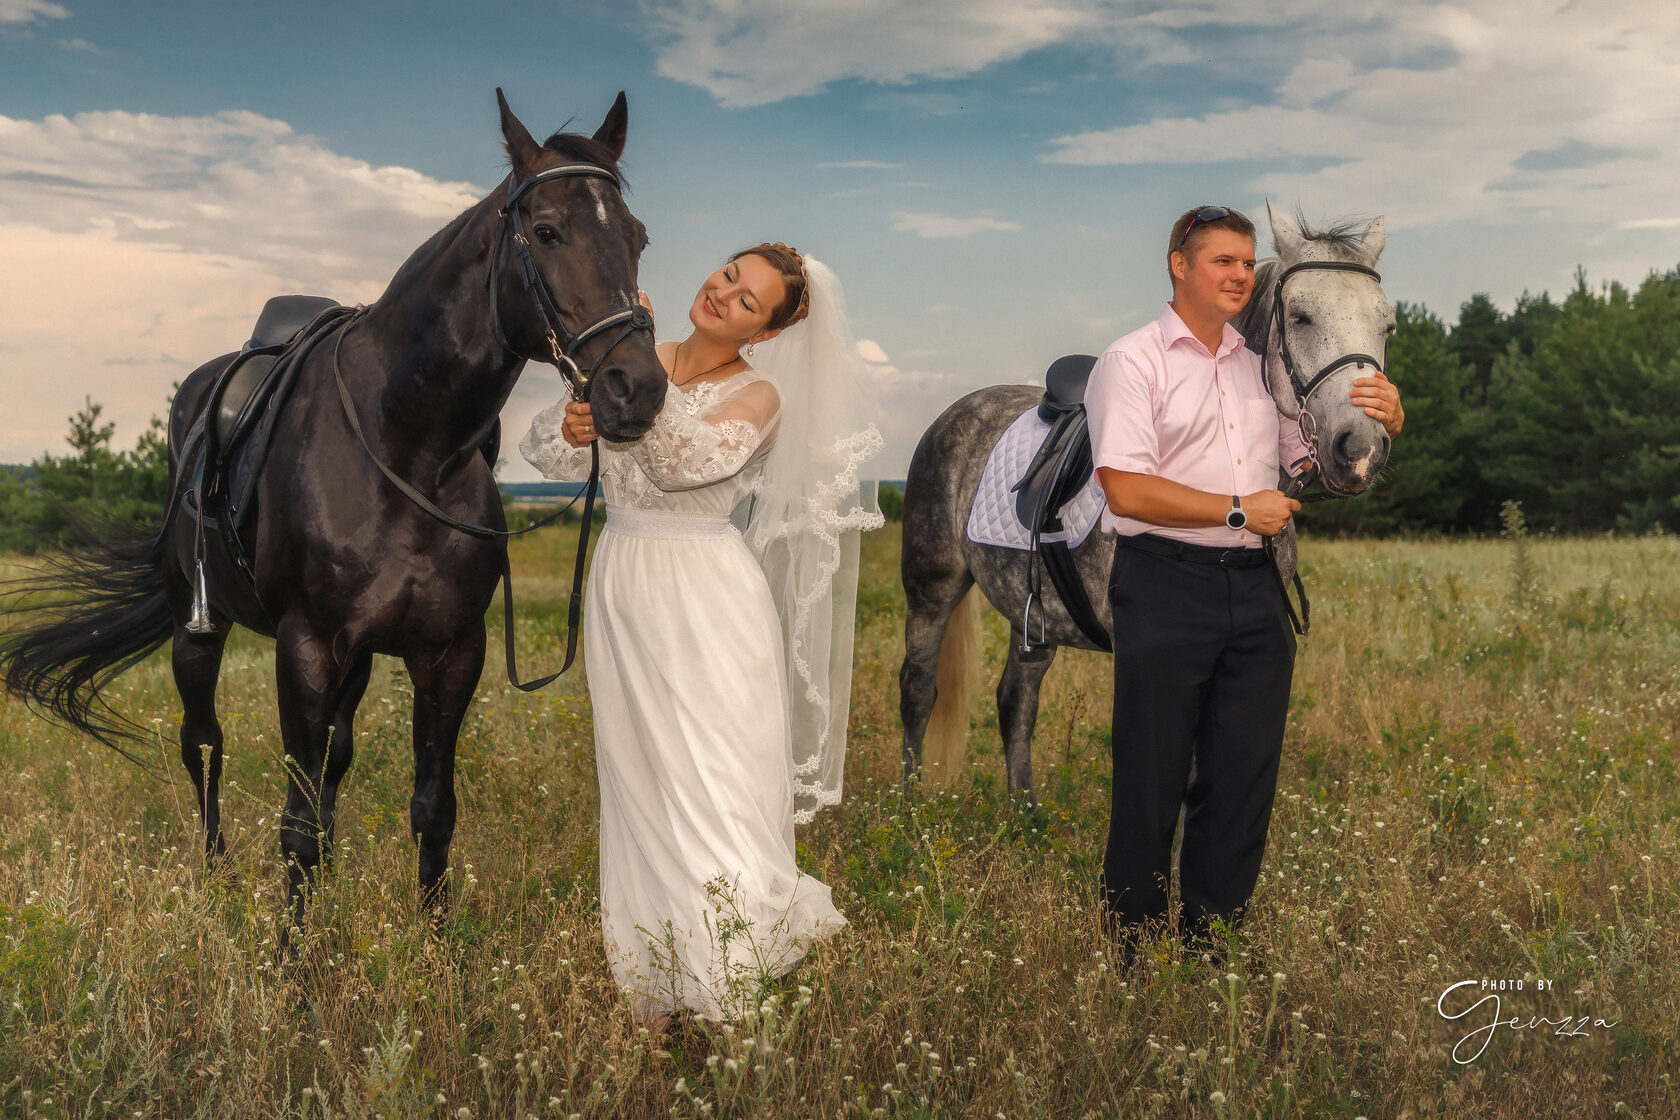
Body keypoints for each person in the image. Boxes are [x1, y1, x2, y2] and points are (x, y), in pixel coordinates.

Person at [519, 243, 883, 1024]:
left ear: (763, 331)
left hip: (705, 596)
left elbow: (682, 464)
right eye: (727, 275)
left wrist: (631, 370)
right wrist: (579, 418)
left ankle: (727, 968)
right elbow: (540, 450)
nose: (722, 295)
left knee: (710, 778)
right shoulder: (633, 354)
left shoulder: (759, 398)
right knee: (641, 775)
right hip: (624, 580)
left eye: (748, 300)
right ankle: (656, 973)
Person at [1084, 205, 1403, 954]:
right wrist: (1236, 511)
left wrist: (1385, 417)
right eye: (1221, 260)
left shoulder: (1261, 367)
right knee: (1151, 775)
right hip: (1164, 582)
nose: (1238, 274)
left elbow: (1308, 465)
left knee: (1242, 776)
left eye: (1244, 261)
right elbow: (1125, 491)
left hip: (1256, 590)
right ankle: (1131, 943)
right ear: (1179, 264)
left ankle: (1210, 938)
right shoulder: (1132, 362)